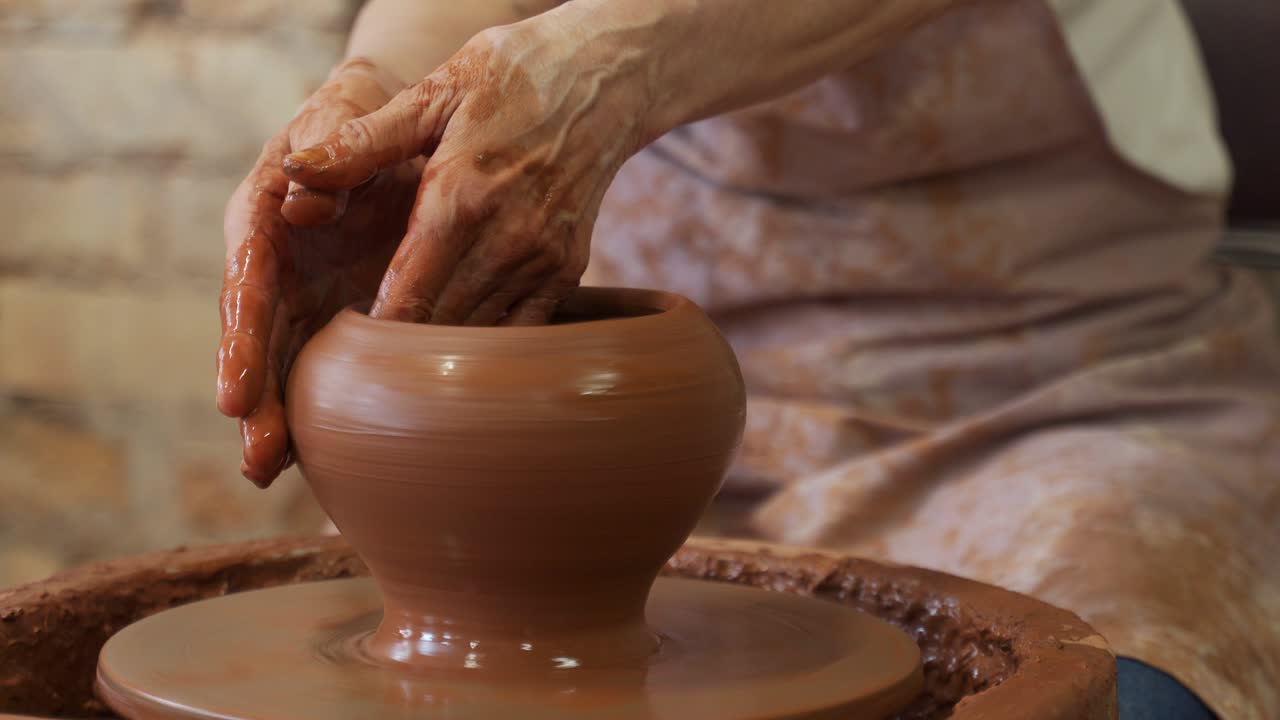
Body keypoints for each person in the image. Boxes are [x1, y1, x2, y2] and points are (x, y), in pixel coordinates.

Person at [216, 1, 1280, 718]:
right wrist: (376, 101)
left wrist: (619, 61)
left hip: (1043, 375)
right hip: (617, 409)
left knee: (1095, 684)